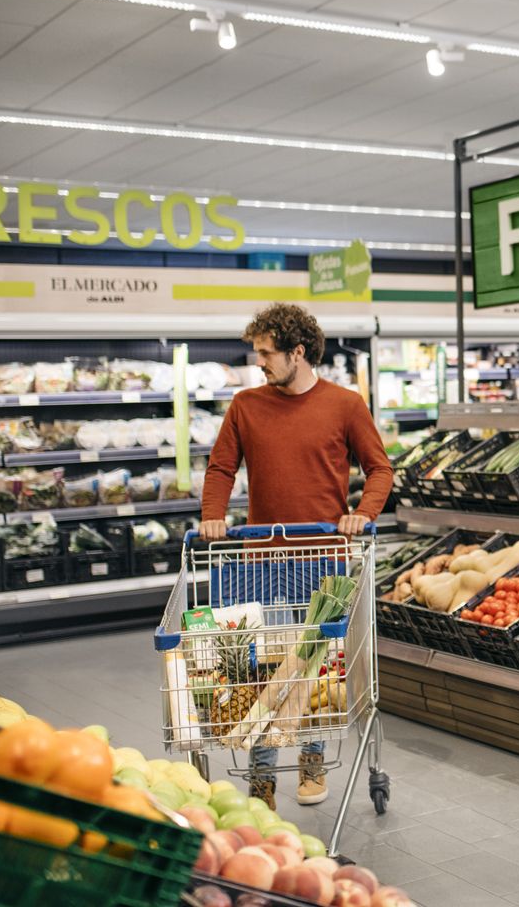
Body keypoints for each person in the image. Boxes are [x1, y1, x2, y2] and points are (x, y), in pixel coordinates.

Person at [200, 302, 393, 811]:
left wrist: (362, 513)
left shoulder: (346, 405)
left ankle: (310, 759)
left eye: (266, 353)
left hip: (322, 555)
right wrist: (213, 515)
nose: (259, 362)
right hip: (259, 559)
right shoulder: (245, 405)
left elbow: (379, 470)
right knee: (261, 669)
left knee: (314, 667)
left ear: (298, 352)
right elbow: (221, 469)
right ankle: (262, 775)